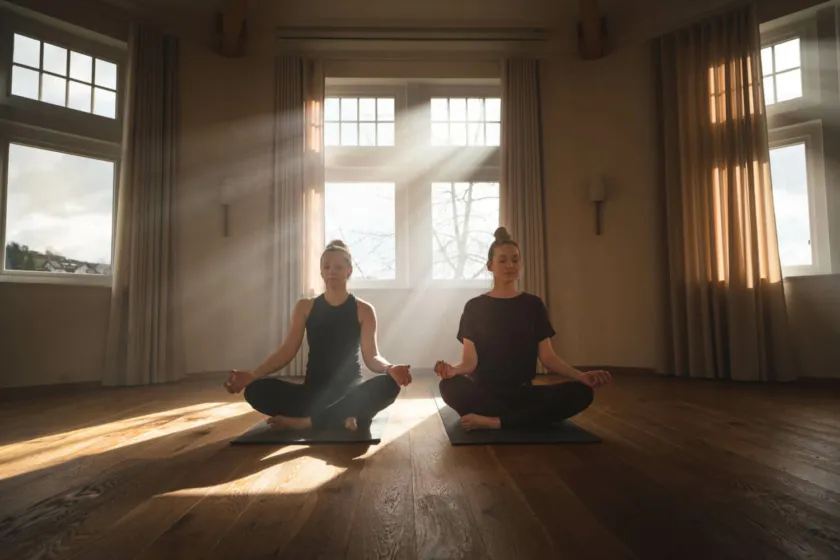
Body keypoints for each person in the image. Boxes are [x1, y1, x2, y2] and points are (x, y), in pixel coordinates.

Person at [434, 226, 612, 431]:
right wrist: (452, 370)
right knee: (448, 386)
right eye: (503, 260)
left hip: (522, 393)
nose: (510, 265)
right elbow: (470, 362)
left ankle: (495, 421)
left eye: (515, 259)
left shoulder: (533, 305)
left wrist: (581, 376)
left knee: (582, 392)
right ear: (490, 266)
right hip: (485, 392)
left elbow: (548, 358)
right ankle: (520, 419)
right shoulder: (474, 307)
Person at [225, 240, 412, 432]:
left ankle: (307, 422)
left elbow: (372, 357)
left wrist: (390, 368)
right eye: (326, 267)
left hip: (349, 391)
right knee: (255, 390)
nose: (331, 271)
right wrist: (253, 375)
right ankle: (343, 416)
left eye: (338, 267)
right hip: (312, 393)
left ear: (349, 271)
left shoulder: (363, 310)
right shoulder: (305, 307)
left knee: (389, 385)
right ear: (321, 272)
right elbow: (287, 351)